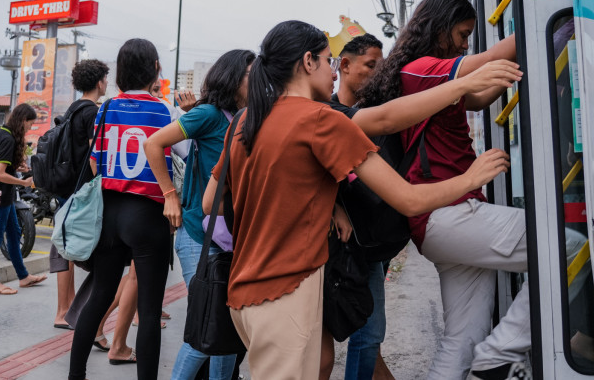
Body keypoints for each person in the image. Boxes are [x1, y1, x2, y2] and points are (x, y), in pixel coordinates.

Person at [201, 20, 510, 379]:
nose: (334, 72)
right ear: (308, 62)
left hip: (243, 293)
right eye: (328, 60)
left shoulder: (244, 120)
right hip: (285, 293)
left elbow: (211, 204)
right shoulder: (320, 120)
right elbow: (409, 199)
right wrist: (470, 178)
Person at [320, 34, 522, 379]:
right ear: (344, 65)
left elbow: (472, 100)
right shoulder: (334, 116)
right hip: (348, 243)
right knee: (340, 345)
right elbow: (386, 131)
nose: (377, 72)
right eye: (370, 65)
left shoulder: (385, 99)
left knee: (371, 337)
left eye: (381, 65)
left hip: (378, 237)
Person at [68, 38, 180, 380]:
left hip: (109, 213)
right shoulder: (165, 111)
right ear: (156, 68)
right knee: (149, 311)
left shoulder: (105, 109)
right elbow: (184, 154)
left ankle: (76, 376)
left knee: (99, 297)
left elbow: (96, 162)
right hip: (148, 214)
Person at [145, 49, 255, 380]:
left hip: (231, 236)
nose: (259, 82)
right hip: (199, 235)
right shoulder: (208, 114)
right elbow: (153, 143)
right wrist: (169, 196)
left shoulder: (243, 118)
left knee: (226, 331)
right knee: (208, 327)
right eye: (252, 75)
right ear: (233, 78)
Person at [50, 59, 108, 330]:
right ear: (99, 82)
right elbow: (95, 154)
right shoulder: (92, 112)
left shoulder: (73, 109)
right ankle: (67, 311)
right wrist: (101, 183)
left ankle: (65, 308)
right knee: (79, 249)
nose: (106, 83)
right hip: (83, 189)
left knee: (65, 247)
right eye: (105, 79)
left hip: (66, 186)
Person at [0, 103, 47, 295]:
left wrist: (15, 168)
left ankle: (24, 276)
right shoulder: (7, 139)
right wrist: (23, 182)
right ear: (23, 120)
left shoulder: (0, 133)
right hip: (0, 197)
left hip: (5, 197)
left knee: (14, 233)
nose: (30, 128)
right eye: (30, 124)